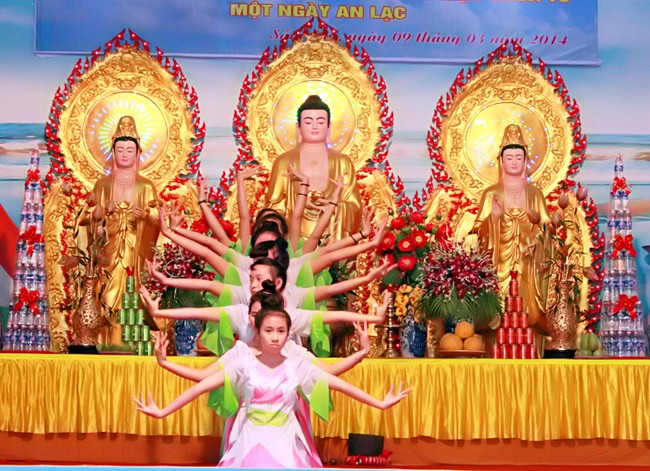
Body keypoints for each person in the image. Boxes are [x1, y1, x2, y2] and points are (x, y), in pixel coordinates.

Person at [133, 306, 410, 468]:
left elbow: (340, 385)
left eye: (281, 331)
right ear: (257, 331)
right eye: (269, 330)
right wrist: (163, 411)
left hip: (287, 447)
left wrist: (379, 402)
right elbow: (199, 388)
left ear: (288, 334)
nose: (275, 337)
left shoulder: (297, 365)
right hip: (248, 445)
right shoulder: (242, 363)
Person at [472, 124, 551, 331]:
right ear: (501, 160)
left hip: (527, 261)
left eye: (518, 157)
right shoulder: (491, 193)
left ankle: (529, 325)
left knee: (529, 313)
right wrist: (493, 219)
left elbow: (547, 228)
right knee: (497, 311)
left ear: (525, 161)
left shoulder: (535, 194)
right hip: (499, 262)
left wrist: (537, 241)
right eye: (509, 157)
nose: (514, 162)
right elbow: (477, 231)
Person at [265, 95, 363, 241]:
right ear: (298, 127)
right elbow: (273, 208)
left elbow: (354, 206)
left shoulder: (343, 162)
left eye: (321, 121)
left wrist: (334, 207)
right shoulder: (284, 162)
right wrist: (298, 206)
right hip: (294, 241)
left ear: (329, 126)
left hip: (332, 238)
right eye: (308, 122)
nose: (315, 126)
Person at [90, 116, 159, 316]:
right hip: (109, 249)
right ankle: (106, 322)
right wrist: (99, 227)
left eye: (129, 150)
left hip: (136, 249)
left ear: (138, 153)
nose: (125, 154)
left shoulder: (146, 186)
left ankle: (134, 324)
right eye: (120, 150)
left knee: (133, 289)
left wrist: (146, 215)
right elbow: (92, 216)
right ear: (113, 152)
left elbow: (158, 219)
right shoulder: (102, 185)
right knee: (106, 291)